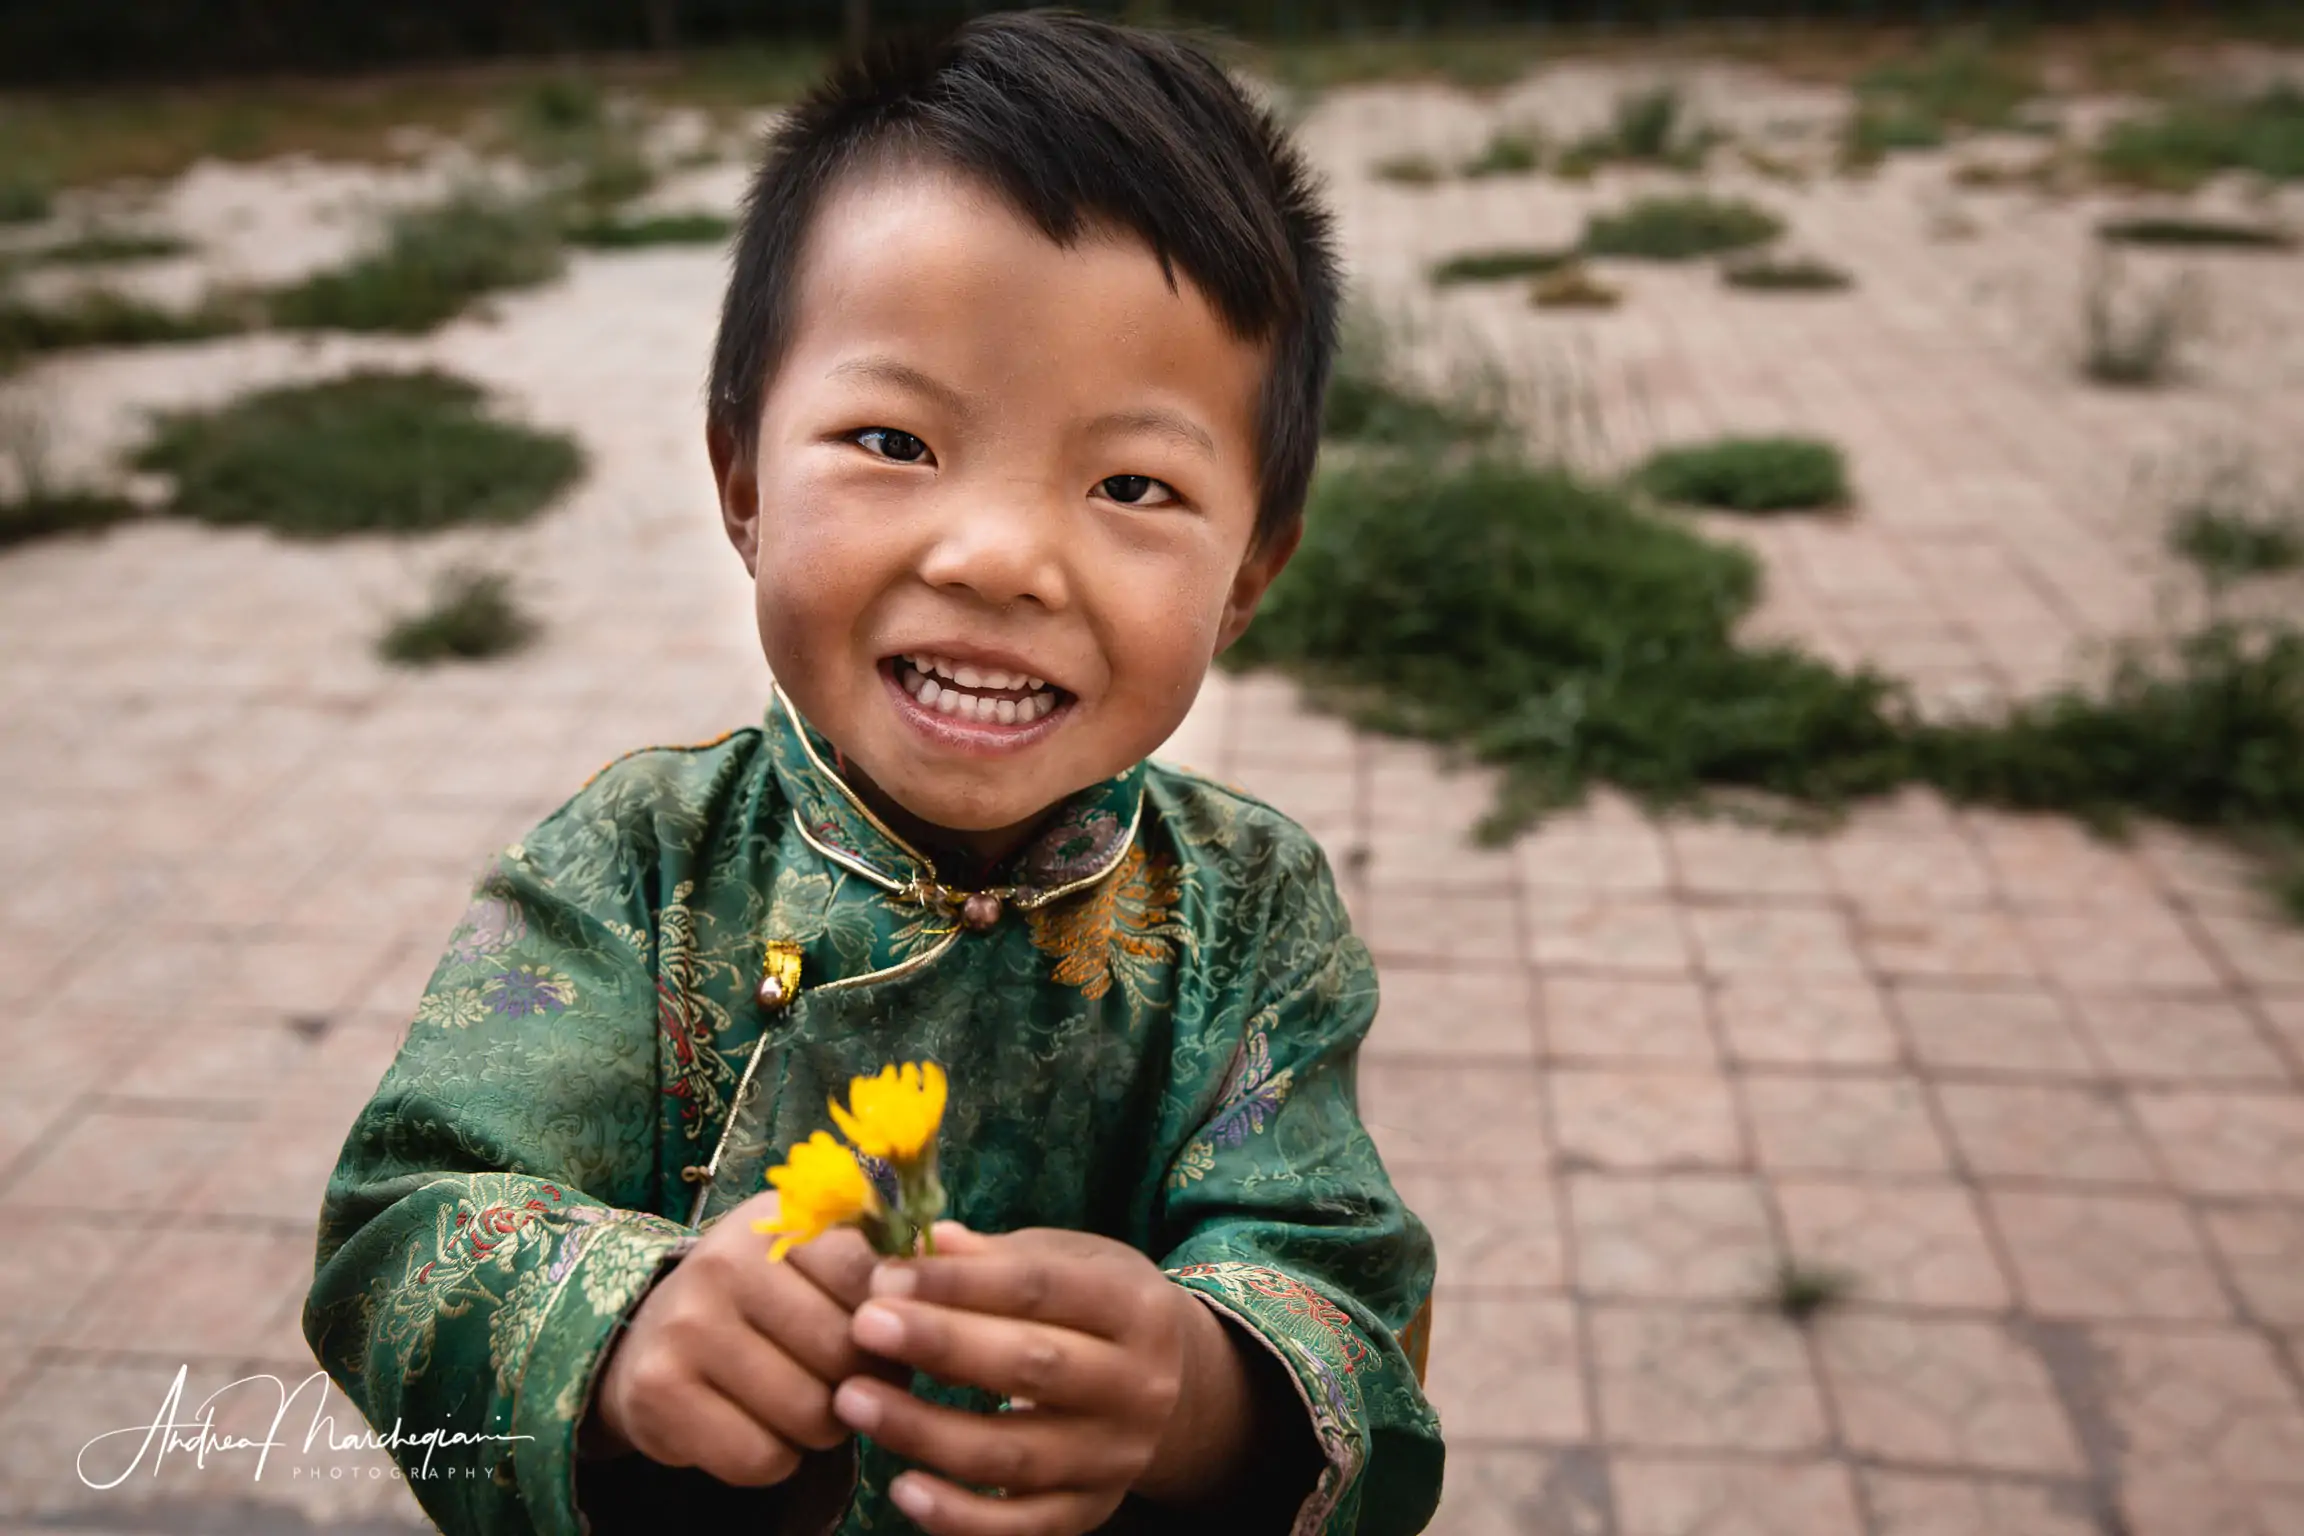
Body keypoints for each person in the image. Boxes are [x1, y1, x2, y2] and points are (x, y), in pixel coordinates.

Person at [304, 13, 1442, 1535]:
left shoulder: (1252, 917)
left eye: (1131, 484)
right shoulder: (635, 862)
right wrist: (626, 1334)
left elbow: (1349, 1292)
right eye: (895, 440)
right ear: (744, 484)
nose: (996, 556)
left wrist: (1194, 1388)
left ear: (1248, 578)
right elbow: (403, 1222)